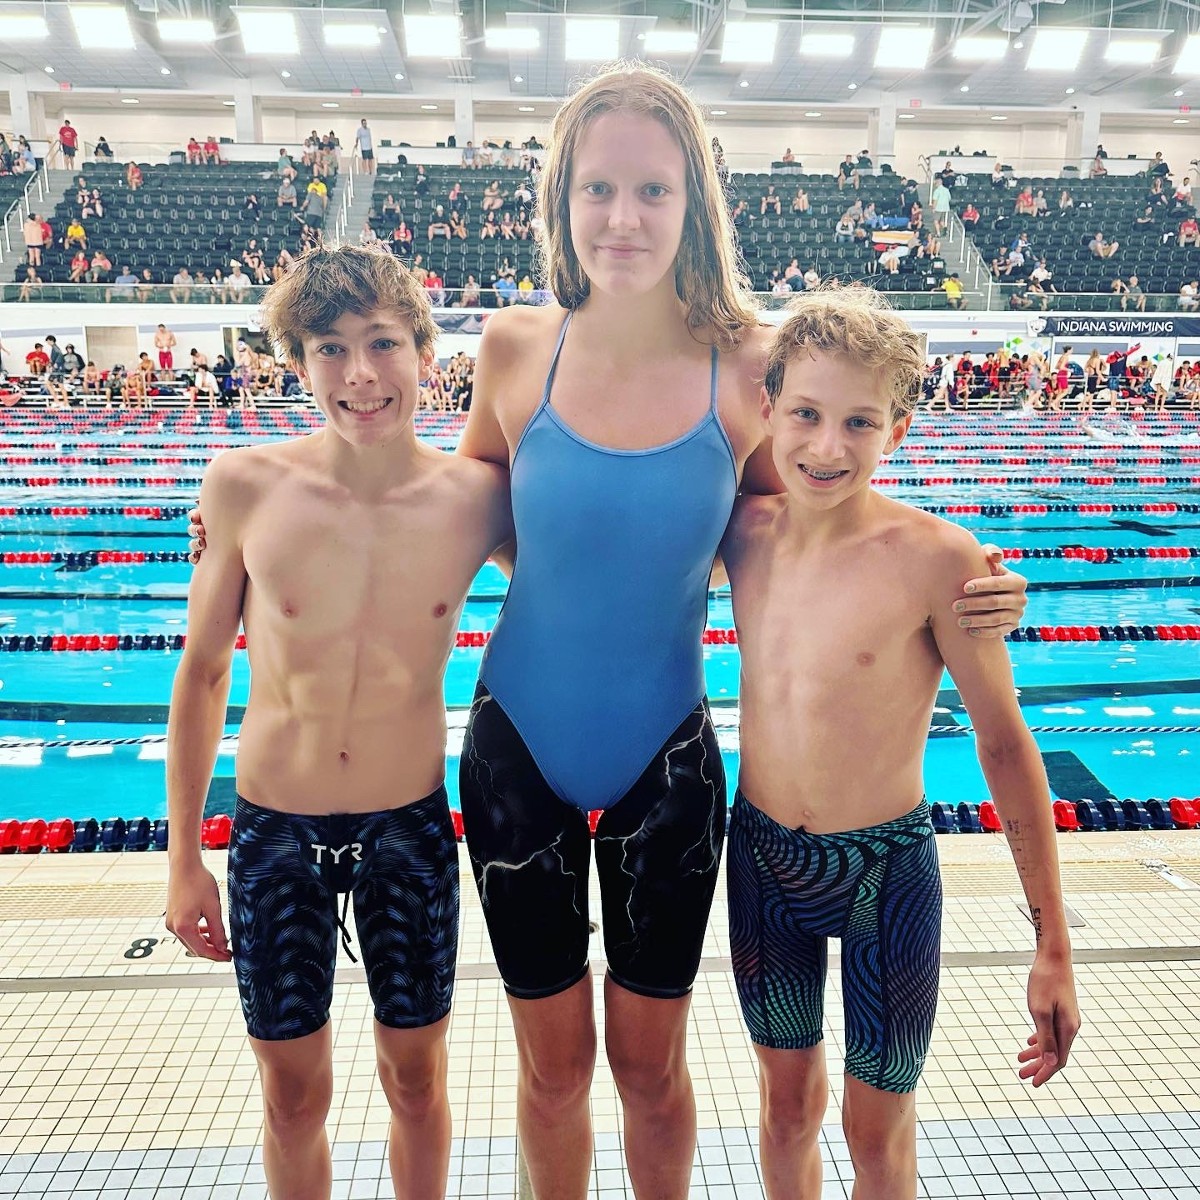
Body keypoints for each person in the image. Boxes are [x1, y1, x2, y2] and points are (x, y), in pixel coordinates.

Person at [190, 65, 1028, 1200]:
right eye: (597, 188)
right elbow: (466, 506)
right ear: (562, 199)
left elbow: (812, 524)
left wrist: (969, 582)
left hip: (666, 766)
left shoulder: (750, 363)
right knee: (552, 1076)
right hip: (516, 760)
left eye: (652, 190)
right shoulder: (515, 347)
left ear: (694, 205)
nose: (622, 217)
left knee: (649, 1071)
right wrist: (255, 522)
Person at [166, 245, 512, 1200]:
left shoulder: (478, 498)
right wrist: (185, 857)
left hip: (408, 827)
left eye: (383, 343)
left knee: (417, 1082)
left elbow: (595, 581)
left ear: (426, 354)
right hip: (274, 831)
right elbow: (201, 676)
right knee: (290, 1096)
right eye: (330, 349)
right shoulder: (243, 487)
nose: (361, 374)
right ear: (298, 363)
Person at [720, 289, 1079, 1199]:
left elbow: (1005, 747)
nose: (827, 446)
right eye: (806, 414)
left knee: (875, 1131)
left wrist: (1053, 945)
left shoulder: (940, 560)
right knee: (786, 1110)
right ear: (769, 409)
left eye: (860, 422)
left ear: (900, 430)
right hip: (762, 863)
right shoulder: (740, 532)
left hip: (886, 877)